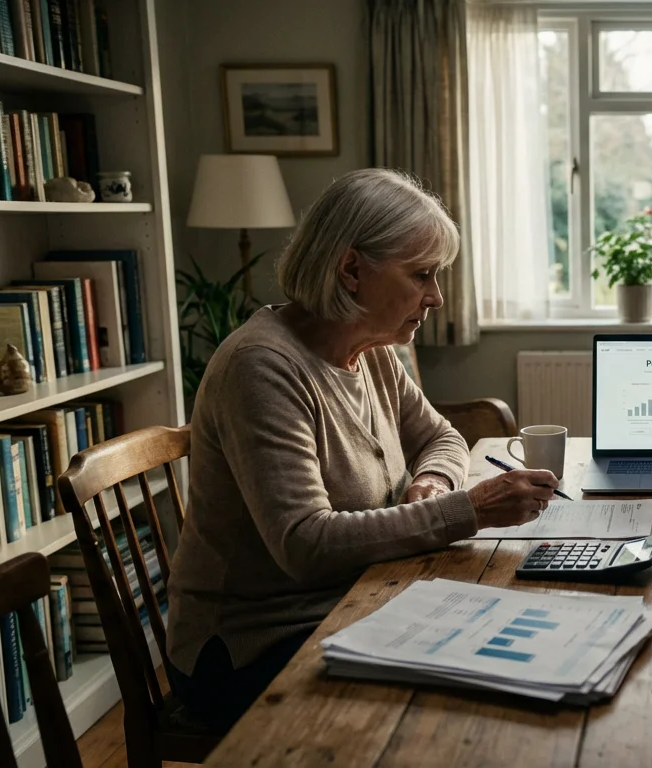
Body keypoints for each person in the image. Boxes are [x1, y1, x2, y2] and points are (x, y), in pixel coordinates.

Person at [165, 168, 559, 730]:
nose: (436, 296)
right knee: (469, 705)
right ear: (352, 269)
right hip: (256, 645)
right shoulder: (262, 367)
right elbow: (304, 543)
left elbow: (442, 437)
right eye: (422, 275)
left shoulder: (370, 347)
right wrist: (468, 510)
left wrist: (436, 484)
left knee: (517, 647)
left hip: (360, 596)